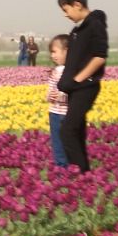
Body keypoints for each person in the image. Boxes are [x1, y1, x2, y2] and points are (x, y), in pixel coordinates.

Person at [56, 0, 108, 173]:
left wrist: (77, 80)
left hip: (86, 87)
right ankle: (84, 174)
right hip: (76, 88)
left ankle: (80, 174)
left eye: (66, 9)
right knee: (76, 131)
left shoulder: (94, 24)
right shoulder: (78, 30)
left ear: (77, 4)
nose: (65, 14)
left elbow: (99, 56)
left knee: (67, 130)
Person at [44, 34, 71, 168]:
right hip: (54, 112)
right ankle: (61, 166)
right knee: (56, 142)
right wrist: (50, 96)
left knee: (68, 141)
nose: (52, 55)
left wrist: (61, 96)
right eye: (51, 52)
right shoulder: (55, 71)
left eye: (55, 51)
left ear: (67, 51)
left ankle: (69, 165)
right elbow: (49, 91)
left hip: (67, 114)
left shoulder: (74, 71)